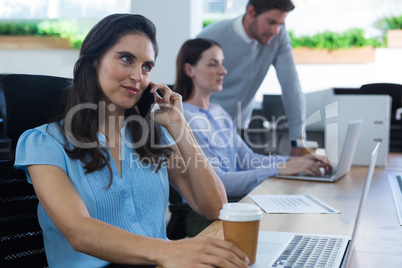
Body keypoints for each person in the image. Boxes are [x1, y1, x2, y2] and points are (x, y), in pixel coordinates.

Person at [14, 14, 250, 268]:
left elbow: (215, 208)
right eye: (126, 59)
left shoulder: (152, 138)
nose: (138, 76)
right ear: (95, 61)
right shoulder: (44, 143)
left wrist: (180, 127)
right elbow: (79, 233)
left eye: (147, 67)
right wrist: (171, 250)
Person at [173, 38, 332, 237]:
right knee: (288, 226)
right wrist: (279, 168)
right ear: (189, 70)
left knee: (298, 220)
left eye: (222, 63)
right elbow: (220, 181)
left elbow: (248, 159)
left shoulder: (218, 112)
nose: (223, 71)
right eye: (213, 64)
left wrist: (294, 162)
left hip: (237, 204)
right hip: (206, 215)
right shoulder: (183, 118)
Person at [197, 0, 305, 156]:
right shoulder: (209, 38)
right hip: (206, 131)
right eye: (271, 22)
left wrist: (298, 141)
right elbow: (188, 89)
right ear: (250, 12)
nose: (275, 30)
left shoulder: (278, 36)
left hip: (239, 131)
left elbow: (291, 86)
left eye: (281, 24)